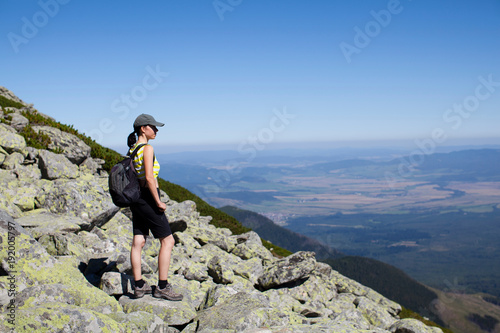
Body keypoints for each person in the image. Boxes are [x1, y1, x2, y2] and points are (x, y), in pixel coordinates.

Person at [127, 113, 183, 301]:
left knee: (138, 241)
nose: (156, 130)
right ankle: (162, 287)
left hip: (136, 199)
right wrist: (158, 202)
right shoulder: (147, 148)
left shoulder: (132, 149)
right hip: (148, 199)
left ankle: (139, 285)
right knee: (168, 241)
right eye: (153, 126)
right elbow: (150, 178)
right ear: (143, 128)